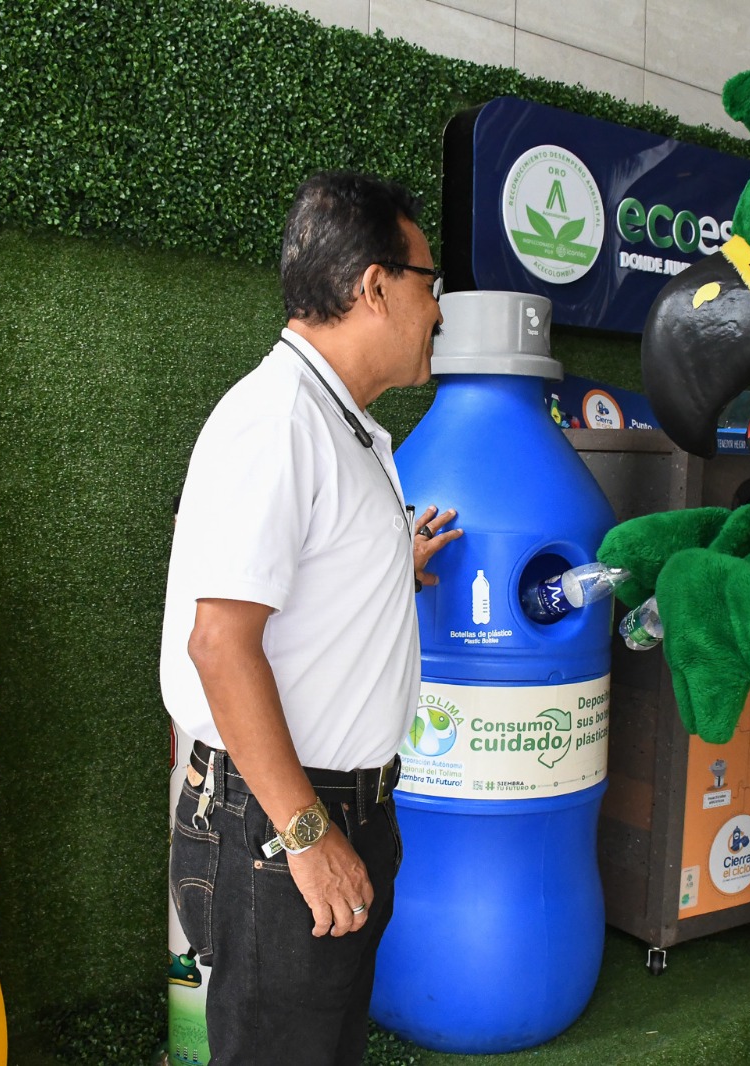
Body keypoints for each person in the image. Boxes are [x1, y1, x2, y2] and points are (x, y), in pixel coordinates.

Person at [159, 170, 460, 1065]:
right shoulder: (278, 422)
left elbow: (295, 584)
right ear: (376, 286)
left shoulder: (343, 423)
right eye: (428, 284)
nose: (437, 310)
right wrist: (305, 833)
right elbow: (220, 643)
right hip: (277, 822)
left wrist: (385, 568)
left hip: (335, 808)